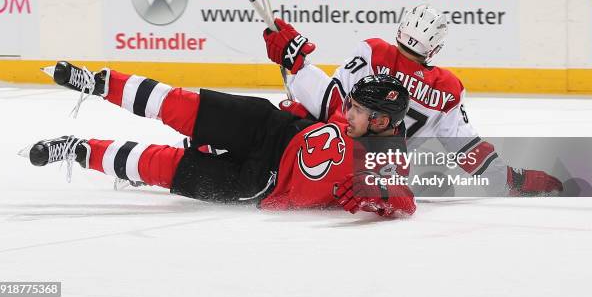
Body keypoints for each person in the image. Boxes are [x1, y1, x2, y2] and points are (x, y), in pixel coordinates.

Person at [21, 60, 415, 218]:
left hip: (260, 183)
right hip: (270, 127)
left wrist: (376, 192)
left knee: (167, 168)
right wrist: (292, 52)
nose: (348, 112)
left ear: (382, 123)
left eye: (359, 111)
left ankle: (80, 150)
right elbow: (321, 92)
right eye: (351, 104)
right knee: (183, 105)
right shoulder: (349, 114)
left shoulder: (387, 161)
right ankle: (99, 83)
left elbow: (407, 203)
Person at [261, 5, 564, 195]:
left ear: (400, 30)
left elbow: (334, 105)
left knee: (277, 126)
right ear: (434, 49)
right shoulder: (447, 88)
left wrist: (299, 67)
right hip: (374, 175)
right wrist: (512, 178)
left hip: (329, 152)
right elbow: (467, 150)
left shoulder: (372, 51)